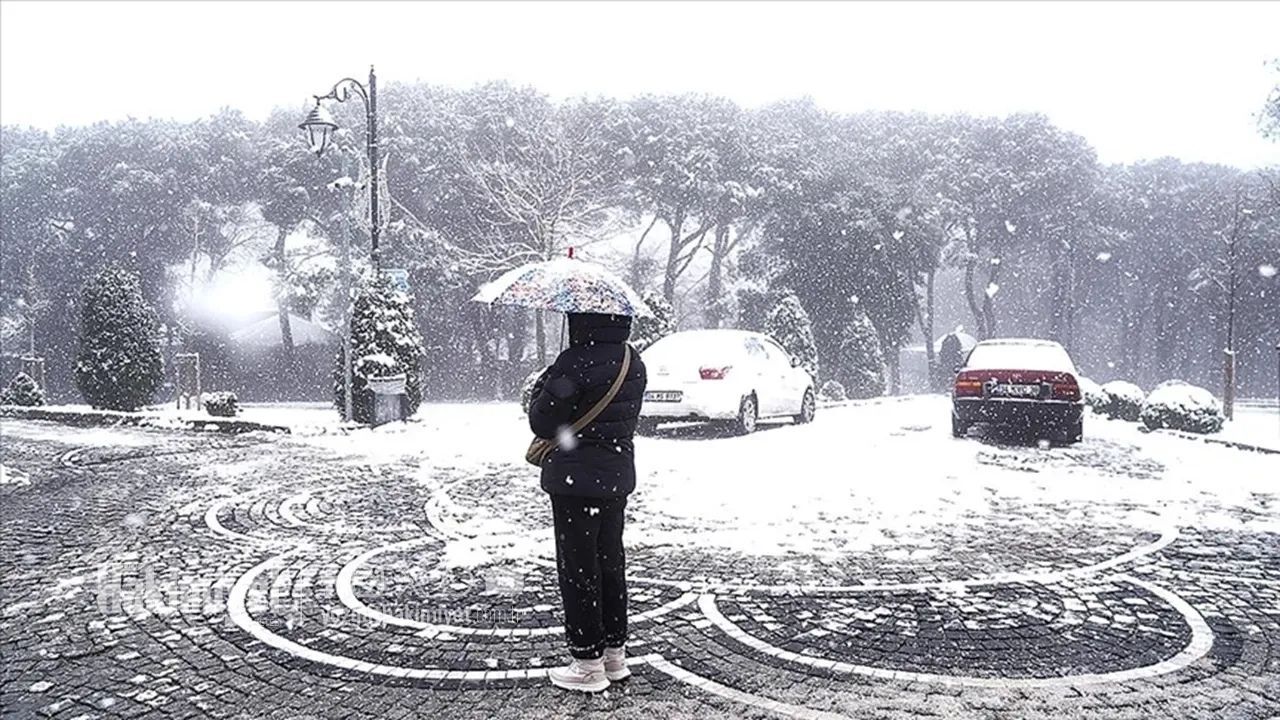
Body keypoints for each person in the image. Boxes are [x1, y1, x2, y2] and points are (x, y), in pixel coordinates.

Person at [527, 312, 647, 693]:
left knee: (579, 569)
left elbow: (543, 423)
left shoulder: (573, 362)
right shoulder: (633, 361)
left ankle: (587, 663)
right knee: (611, 563)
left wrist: (545, 384)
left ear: (581, 321)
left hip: (575, 480)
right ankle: (615, 655)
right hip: (615, 476)